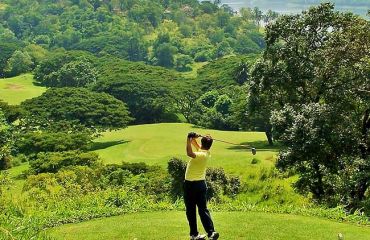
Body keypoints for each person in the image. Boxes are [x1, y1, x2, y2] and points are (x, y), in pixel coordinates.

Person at [184, 132, 219, 240]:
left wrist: (188, 139)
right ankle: (210, 233)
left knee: (191, 210)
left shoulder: (201, 155)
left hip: (190, 184)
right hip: (200, 185)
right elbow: (196, 145)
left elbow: (189, 153)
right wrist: (193, 137)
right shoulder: (206, 152)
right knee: (203, 210)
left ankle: (194, 235)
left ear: (202, 142)